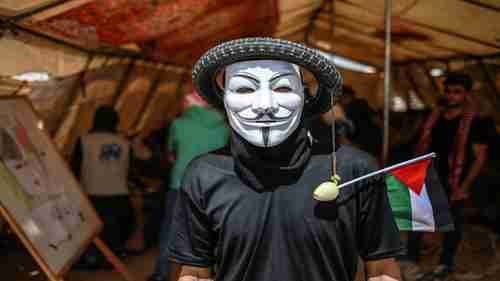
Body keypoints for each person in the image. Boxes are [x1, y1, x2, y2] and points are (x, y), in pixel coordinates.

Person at [167, 37, 402, 281]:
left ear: (305, 96)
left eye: (282, 88)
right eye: (245, 89)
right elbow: (194, 271)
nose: (265, 105)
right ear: (224, 99)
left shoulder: (354, 169)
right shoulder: (204, 174)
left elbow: (382, 268)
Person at [402, 73, 494, 281]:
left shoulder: (475, 122)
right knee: (417, 219)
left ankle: (445, 263)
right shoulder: (433, 118)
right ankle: (410, 259)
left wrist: (464, 186)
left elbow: (480, 158)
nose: (451, 96)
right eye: (448, 91)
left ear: (466, 95)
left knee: (452, 225)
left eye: (457, 92)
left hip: (455, 181)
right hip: (428, 175)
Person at [148, 91, 229, 281]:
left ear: (189, 105)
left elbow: (171, 154)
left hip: (181, 184)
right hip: (214, 187)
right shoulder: (224, 127)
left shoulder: (178, 124)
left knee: (170, 230)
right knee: (214, 233)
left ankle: (161, 274)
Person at [71, 105, 147, 269]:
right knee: (116, 230)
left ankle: (91, 258)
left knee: (92, 232)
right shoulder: (124, 143)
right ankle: (111, 257)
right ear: (115, 122)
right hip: (118, 195)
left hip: (91, 195)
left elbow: (74, 169)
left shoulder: (83, 140)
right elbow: (130, 170)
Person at [339, 86, 382, 158]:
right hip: (371, 142)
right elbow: (377, 120)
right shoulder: (361, 103)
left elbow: (376, 120)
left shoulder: (355, 105)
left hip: (362, 143)